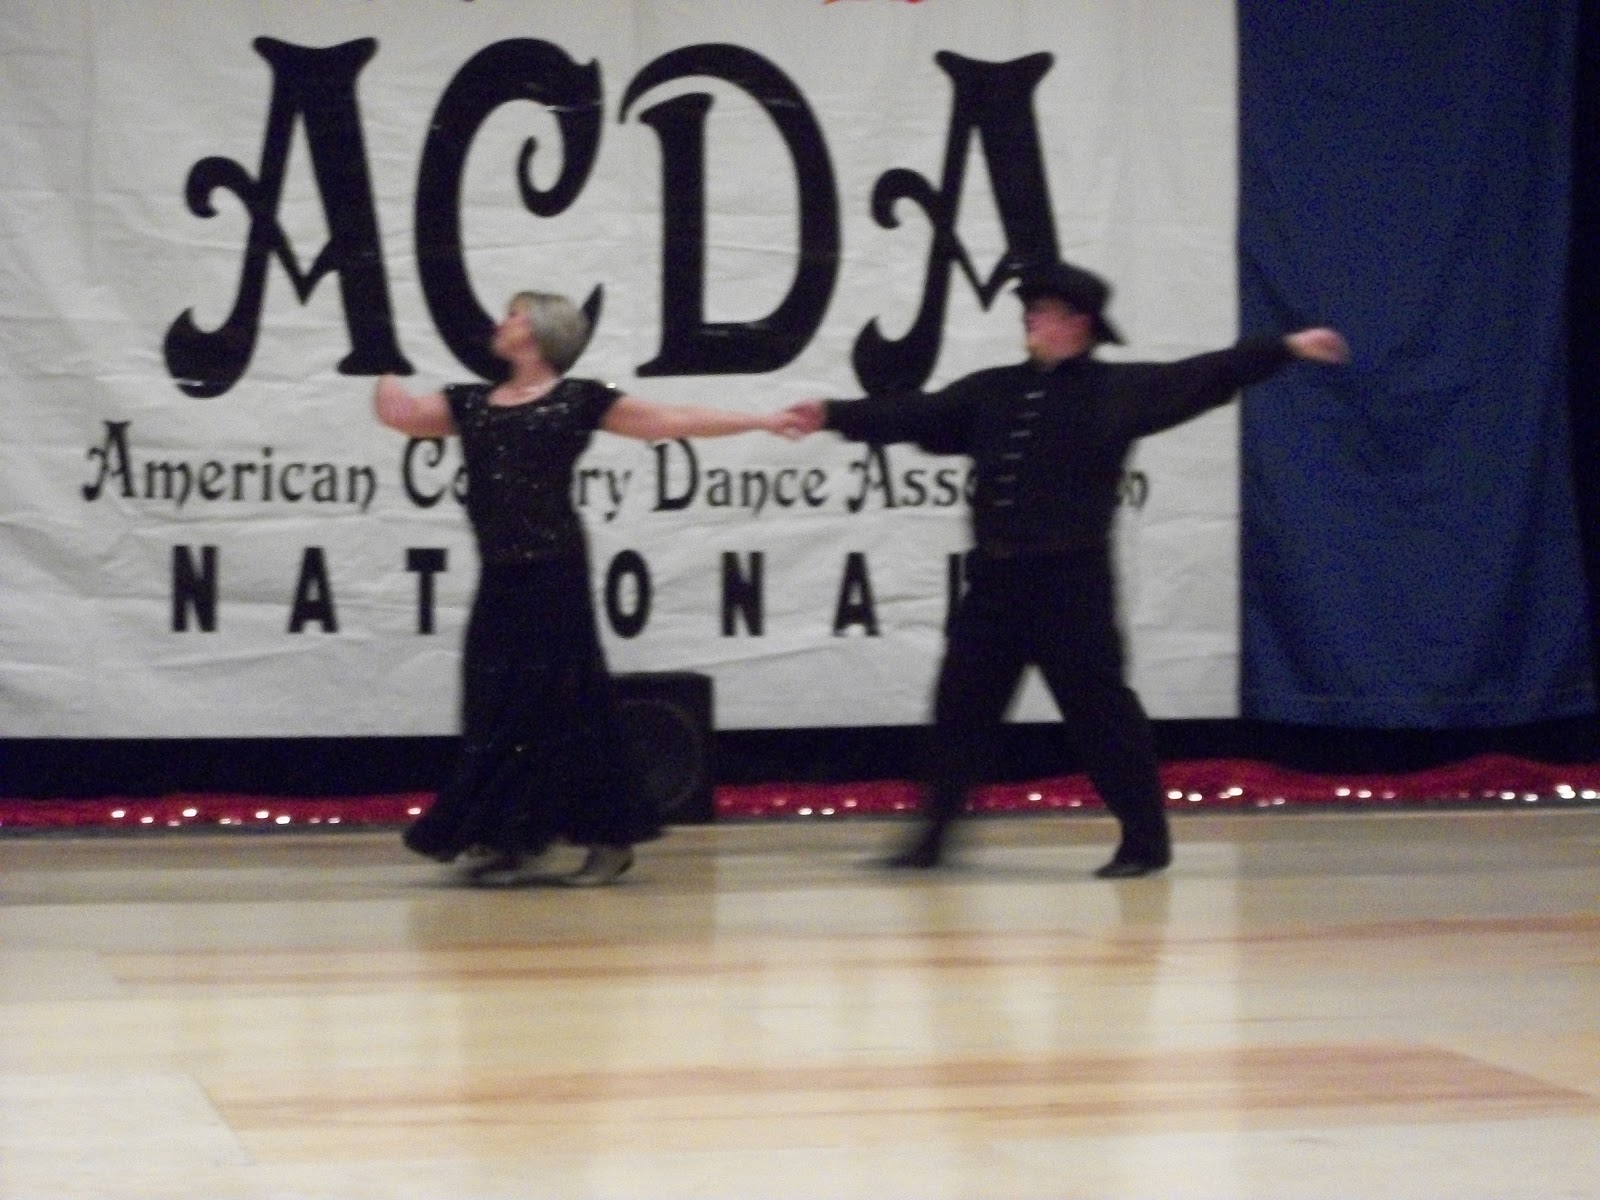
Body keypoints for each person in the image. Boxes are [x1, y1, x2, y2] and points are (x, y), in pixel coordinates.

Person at [787, 260, 1349, 877]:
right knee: (960, 710)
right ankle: (931, 839)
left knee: (1101, 716)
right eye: (1029, 310)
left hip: (1071, 585)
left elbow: (1203, 373)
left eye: (1043, 310)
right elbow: (917, 414)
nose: (1029, 319)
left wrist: (1286, 348)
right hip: (995, 586)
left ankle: (1145, 841)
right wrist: (834, 414)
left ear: (1078, 323)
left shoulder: (1116, 391)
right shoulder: (993, 391)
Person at [374, 290, 806, 886]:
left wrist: (760, 420)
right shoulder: (470, 403)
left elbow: (667, 421)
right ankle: (514, 837)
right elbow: (399, 415)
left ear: (539, 332)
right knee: (496, 704)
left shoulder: (578, 400)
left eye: (514, 315)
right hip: (500, 573)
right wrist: (384, 356)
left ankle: (609, 839)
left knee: (568, 704)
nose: (501, 322)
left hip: (555, 571)